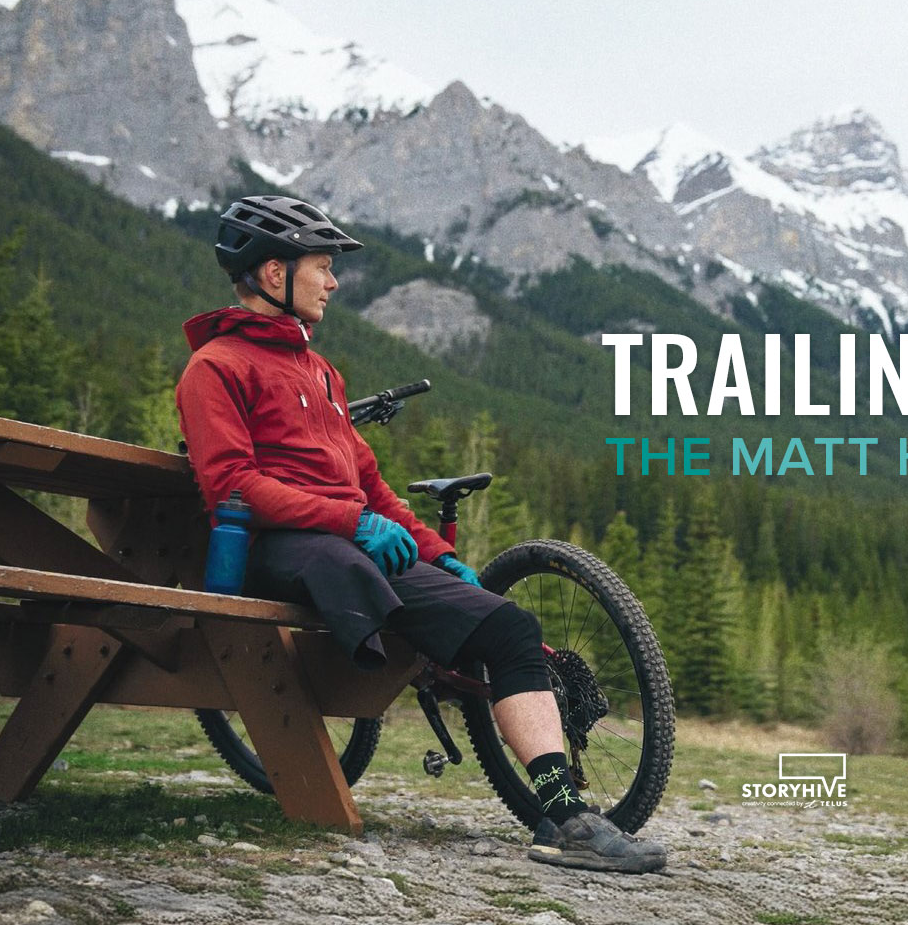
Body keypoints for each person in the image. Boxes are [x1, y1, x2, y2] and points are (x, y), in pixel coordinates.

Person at [175, 195, 666, 874]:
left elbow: (371, 483)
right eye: (321, 266)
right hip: (280, 546)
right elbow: (232, 485)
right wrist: (352, 521)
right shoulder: (216, 368)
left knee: (511, 629)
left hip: (345, 545)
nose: (334, 280)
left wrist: (440, 558)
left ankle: (564, 817)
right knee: (346, 565)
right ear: (270, 274)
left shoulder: (320, 371)